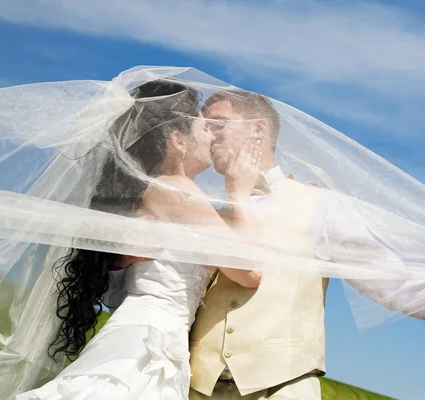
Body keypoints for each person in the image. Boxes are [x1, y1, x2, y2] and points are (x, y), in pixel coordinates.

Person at [177, 90, 425, 399]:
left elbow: (393, 282)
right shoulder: (209, 210)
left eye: (218, 124)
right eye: (205, 127)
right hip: (195, 389)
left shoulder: (320, 204)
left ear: (258, 130)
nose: (209, 136)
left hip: (282, 388)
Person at [16, 80, 262, 399]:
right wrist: (239, 193)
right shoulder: (178, 190)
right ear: (178, 141)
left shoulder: (153, 193)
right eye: (204, 128)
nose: (212, 136)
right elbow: (250, 273)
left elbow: (121, 288)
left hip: (147, 331)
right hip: (148, 340)